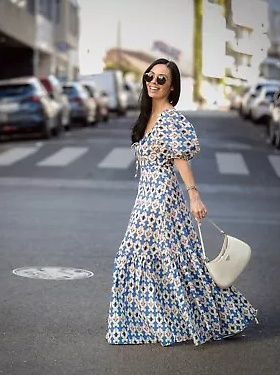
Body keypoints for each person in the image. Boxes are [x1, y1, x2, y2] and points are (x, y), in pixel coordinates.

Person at [106, 58, 258, 346]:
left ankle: (186, 319)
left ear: (172, 86)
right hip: (146, 198)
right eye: (150, 76)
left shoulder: (171, 119)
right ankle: (158, 322)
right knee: (167, 259)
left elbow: (180, 160)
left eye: (161, 79)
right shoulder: (147, 116)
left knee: (142, 257)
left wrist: (194, 194)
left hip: (162, 199)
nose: (153, 81)